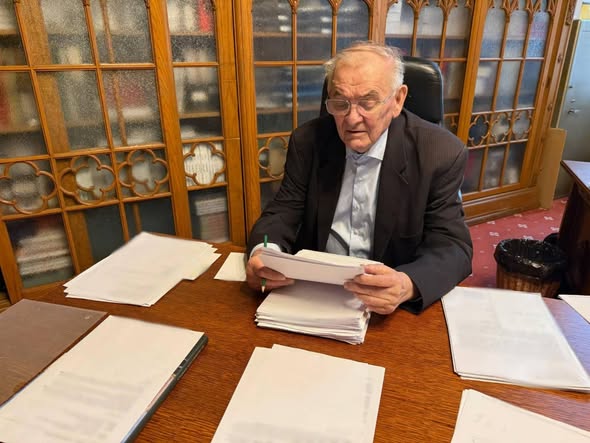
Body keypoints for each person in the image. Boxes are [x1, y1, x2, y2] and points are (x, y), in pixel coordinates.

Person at [245, 41, 473, 315]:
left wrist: (407, 284)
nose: (352, 119)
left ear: (397, 100)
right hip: (316, 292)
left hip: (388, 303)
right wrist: (263, 253)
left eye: (367, 102)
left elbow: (452, 246)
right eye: (340, 103)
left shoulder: (440, 153)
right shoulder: (308, 141)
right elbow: (282, 212)